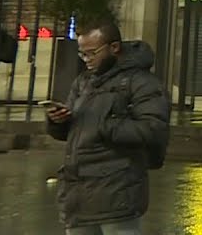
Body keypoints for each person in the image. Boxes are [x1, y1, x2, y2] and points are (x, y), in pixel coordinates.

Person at [46, 21, 170, 235]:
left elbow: (154, 129)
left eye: (92, 53)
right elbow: (72, 132)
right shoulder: (83, 82)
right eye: (82, 54)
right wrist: (59, 121)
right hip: (78, 192)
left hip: (117, 190)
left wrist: (106, 125)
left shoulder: (141, 82)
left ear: (114, 47)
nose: (87, 60)